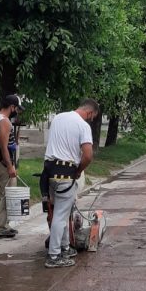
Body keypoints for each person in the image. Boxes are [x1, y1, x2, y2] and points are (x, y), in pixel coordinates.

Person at [43, 98, 99, 268]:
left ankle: (65, 247)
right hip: (66, 173)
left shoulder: (58, 118)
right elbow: (88, 155)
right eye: (92, 117)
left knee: (63, 213)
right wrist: (79, 170)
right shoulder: (83, 126)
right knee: (61, 216)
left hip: (48, 172)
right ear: (90, 113)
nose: (90, 120)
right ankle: (54, 256)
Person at [0, 94, 23, 238]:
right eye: (17, 108)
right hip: (3, 164)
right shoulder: (5, 122)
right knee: (7, 194)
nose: (17, 111)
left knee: (2, 193)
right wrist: (10, 166)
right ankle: (1, 227)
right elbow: (3, 147)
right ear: (12, 107)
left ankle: (3, 224)